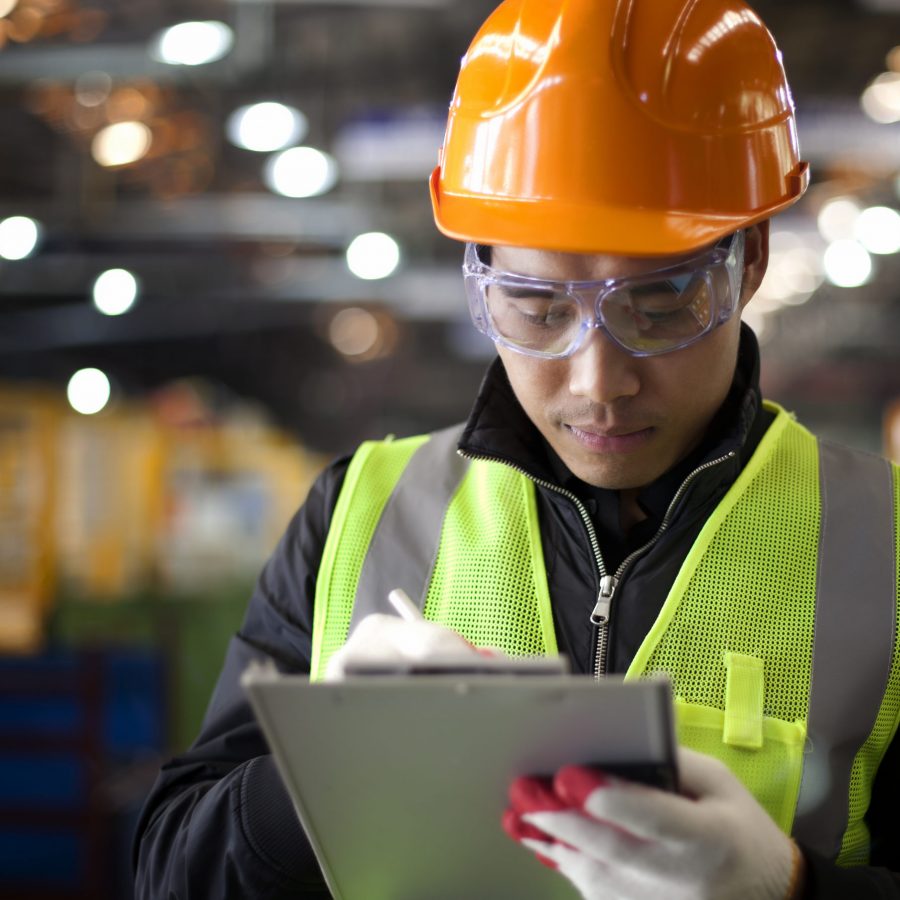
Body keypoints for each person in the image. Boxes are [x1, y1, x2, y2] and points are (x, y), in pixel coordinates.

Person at [133, 1, 900, 897]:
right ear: (481, 278)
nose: (597, 382)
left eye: (659, 307)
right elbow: (170, 868)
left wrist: (793, 887)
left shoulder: (883, 548)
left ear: (753, 259)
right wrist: (312, 776)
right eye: (537, 309)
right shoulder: (358, 515)